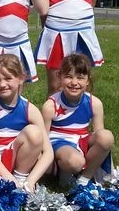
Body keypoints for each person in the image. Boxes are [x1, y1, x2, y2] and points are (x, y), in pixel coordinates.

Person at [0, 54, 53, 192]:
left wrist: (30, 181)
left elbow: (48, 152)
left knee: (34, 132)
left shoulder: (30, 109)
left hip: (15, 158)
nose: (2, 84)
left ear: (21, 78)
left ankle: (21, 178)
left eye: (8, 78)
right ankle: (13, 182)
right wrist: (9, 179)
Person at [41, 53, 114, 186]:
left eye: (80, 78)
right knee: (75, 161)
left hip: (82, 139)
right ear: (60, 77)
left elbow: (99, 134)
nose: (74, 83)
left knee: (106, 137)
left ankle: (84, 178)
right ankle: (64, 172)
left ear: (87, 80)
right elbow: (43, 138)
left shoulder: (94, 103)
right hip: (60, 142)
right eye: (68, 77)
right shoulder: (50, 105)